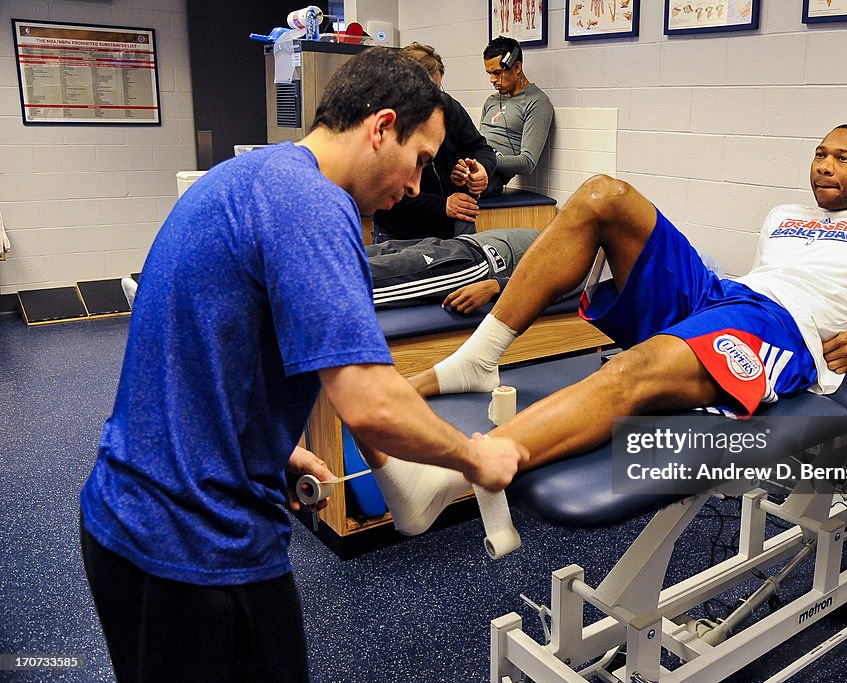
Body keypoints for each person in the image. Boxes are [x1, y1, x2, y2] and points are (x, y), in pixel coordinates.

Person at [80, 48, 527, 683]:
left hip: (126, 523)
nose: (419, 186)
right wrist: (475, 459)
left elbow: (191, 355)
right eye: (421, 160)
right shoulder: (314, 203)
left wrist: (269, 446)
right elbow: (370, 405)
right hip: (192, 549)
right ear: (380, 128)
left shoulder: (248, 178)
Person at [373, 124, 847, 536]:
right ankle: (481, 355)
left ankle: (447, 481)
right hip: (727, 294)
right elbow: (761, 278)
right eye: (819, 154)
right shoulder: (785, 216)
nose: (823, 165)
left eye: (841, 158)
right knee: (604, 194)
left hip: (783, 329)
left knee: (633, 369)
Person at [122, 228, 545, 313]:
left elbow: (564, 289)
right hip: (453, 246)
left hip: (472, 265)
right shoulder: (572, 229)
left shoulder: (591, 256)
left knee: (348, 285)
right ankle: (170, 289)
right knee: (342, 257)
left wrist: (495, 285)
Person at [372, 43, 497, 243]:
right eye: (426, 91)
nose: (433, 99)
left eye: (437, 89)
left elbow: (480, 148)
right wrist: (442, 205)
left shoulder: (447, 107)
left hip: (445, 232)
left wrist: (481, 169)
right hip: (397, 235)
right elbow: (382, 194)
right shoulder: (385, 120)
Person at [369, 228, 540, 310]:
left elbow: (552, 285)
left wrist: (497, 286)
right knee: (366, 252)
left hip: (477, 262)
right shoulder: (559, 234)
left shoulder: (567, 251)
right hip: (457, 244)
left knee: (373, 277)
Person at [467, 37, 553, 197]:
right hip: (473, 163)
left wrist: (486, 160)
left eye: (497, 73)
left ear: (517, 67)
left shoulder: (537, 102)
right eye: (489, 73)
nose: (492, 80)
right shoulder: (491, 101)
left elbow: (527, 163)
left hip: (490, 174)